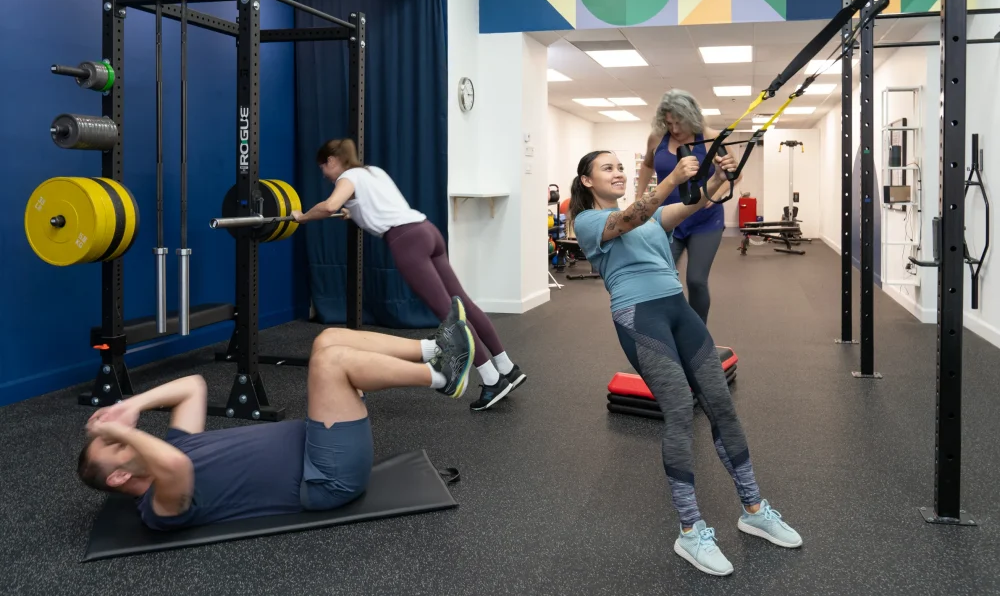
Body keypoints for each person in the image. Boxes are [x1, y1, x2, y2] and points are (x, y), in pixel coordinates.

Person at [569, 149, 801, 576]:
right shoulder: (588, 222)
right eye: (608, 168)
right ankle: (690, 531)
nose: (618, 173)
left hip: (678, 310)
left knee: (721, 405)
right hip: (639, 316)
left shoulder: (654, 216)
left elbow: (697, 202)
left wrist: (717, 176)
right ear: (587, 181)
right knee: (677, 410)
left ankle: (753, 509)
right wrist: (673, 176)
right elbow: (631, 218)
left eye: (621, 167)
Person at [77, 299, 474, 530]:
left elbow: (193, 387)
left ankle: (429, 349)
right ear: (118, 476)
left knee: (327, 340)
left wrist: (131, 405)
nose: (121, 433)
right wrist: (127, 434)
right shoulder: (157, 505)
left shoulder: (175, 442)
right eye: (114, 444)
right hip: (326, 477)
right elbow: (176, 465)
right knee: (331, 364)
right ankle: (442, 376)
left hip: (321, 445)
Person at [291, 138, 524, 412]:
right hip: (427, 231)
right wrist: (351, 211)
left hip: (406, 241)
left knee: (450, 314)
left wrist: (303, 216)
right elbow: (372, 205)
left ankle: (491, 379)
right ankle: (507, 367)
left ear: (331, 160)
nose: (325, 175)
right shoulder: (373, 172)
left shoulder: (347, 176)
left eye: (324, 168)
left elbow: (329, 205)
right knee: (464, 304)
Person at [636, 89, 727, 324]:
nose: (674, 129)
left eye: (679, 123)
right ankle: (667, 326)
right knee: (663, 277)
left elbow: (733, 175)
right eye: (669, 123)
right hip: (668, 219)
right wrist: (639, 198)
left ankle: (698, 332)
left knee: (696, 280)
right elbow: (647, 166)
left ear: (692, 118)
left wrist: (715, 195)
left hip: (705, 222)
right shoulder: (657, 138)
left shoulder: (710, 137)